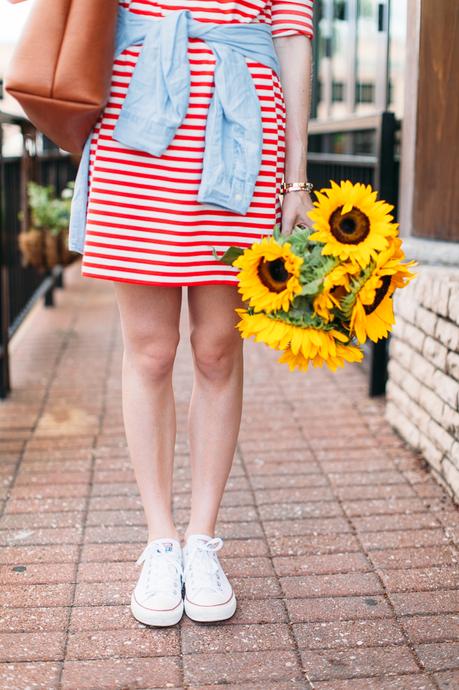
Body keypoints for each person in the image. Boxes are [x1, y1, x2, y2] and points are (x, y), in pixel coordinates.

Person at [9, 0, 314, 626]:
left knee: (217, 347)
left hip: (244, 120)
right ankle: (160, 539)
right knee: (149, 349)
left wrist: (297, 178)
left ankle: (202, 539)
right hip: (137, 111)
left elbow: (292, 31)